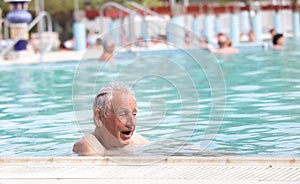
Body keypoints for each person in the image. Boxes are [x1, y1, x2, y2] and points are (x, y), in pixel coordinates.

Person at [73, 82, 149, 156]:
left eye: (134, 114)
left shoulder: (137, 140)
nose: (131, 123)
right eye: (123, 114)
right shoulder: (89, 145)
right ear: (99, 117)